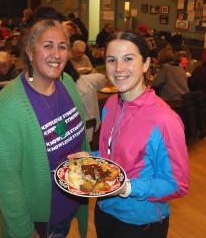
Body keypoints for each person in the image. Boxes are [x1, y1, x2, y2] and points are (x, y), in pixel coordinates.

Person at [70, 31, 189, 238]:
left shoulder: (165, 120)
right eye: (111, 60)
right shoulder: (111, 104)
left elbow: (177, 184)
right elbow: (114, 156)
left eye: (128, 59)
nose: (118, 68)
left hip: (141, 223)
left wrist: (127, 188)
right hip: (105, 209)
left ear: (145, 64)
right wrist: (92, 159)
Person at [0, 19, 89, 238]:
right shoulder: (9, 105)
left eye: (62, 46)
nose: (56, 53)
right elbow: (6, 181)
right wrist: (24, 231)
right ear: (30, 52)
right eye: (47, 45)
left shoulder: (67, 83)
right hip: (40, 219)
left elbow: (81, 143)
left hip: (69, 207)